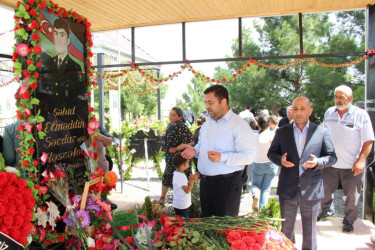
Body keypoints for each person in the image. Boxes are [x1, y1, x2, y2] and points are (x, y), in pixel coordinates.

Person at [267, 96, 337, 250]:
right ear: (291, 111)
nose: (298, 112)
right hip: (288, 188)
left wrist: (318, 162)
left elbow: (332, 157)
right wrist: (281, 160)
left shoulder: (321, 132)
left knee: (310, 231)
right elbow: (271, 153)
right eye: (295, 109)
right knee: (286, 230)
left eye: (302, 109)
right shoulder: (282, 132)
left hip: (311, 188)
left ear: (310, 111)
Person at [182, 84, 255, 217]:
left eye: (210, 102)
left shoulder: (238, 125)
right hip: (206, 184)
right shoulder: (207, 124)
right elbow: (202, 145)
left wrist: (222, 157)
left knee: (223, 231)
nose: (207, 107)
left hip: (227, 186)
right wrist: (195, 151)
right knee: (208, 230)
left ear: (224, 102)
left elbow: (249, 156)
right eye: (206, 102)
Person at [319, 85, 374, 233]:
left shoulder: (361, 115)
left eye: (341, 97)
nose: (338, 100)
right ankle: (325, 212)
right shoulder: (329, 112)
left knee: (352, 197)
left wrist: (361, 161)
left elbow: (368, 141)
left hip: (352, 165)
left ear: (350, 99)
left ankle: (349, 221)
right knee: (324, 191)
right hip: (330, 163)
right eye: (336, 96)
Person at [38, 18, 85, 110]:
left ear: (68, 41)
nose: (58, 39)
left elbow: (79, 93)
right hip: (50, 112)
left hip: (68, 112)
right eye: (56, 34)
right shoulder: (47, 64)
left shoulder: (75, 66)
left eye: (62, 35)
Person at [160, 107, 194, 204]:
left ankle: (184, 202)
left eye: (174, 115)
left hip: (180, 158)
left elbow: (190, 142)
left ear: (180, 117)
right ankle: (162, 199)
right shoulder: (170, 125)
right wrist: (163, 146)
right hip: (170, 157)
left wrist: (177, 149)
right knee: (167, 176)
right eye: (170, 114)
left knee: (182, 179)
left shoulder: (181, 127)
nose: (171, 116)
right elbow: (166, 138)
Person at [251, 114, 279, 211]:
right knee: (266, 189)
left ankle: (255, 195)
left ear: (258, 124)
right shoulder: (274, 135)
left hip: (258, 163)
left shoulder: (254, 136)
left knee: (255, 185)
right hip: (271, 164)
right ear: (269, 123)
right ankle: (262, 212)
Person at [172, 152, 199, 220]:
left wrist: (192, 180)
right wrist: (192, 180)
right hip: (182, 205)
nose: (188, 164)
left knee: (179, 221)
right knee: (183, 222)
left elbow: (185, 185)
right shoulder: (181, 177)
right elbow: (187, 190)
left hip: (178, 203)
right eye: (188, 162)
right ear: (184, 164)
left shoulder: (176, 174)